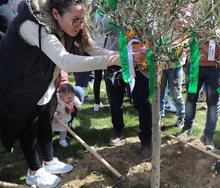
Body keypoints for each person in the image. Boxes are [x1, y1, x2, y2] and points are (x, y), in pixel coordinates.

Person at [0, 0, 144, 187]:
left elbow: (94, 49)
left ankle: (49, 161)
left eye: (82, 19)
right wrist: (117, 59)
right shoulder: (33, 24)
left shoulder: (70, 23)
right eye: (75, 19)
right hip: (18, 83)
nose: (80, 24)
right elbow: (66, 61)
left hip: (41, 80)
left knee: (45, 117)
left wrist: (127, 56)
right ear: (55, 14)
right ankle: (34, 172)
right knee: (29, 123)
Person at [95, 5, 152, 158]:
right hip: (114, 59)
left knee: (143, 100)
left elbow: (151, 26)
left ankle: (147, 139)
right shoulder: (107, 5)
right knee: (114, 99)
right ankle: (118, 129)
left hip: (141, 61)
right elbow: (103, 26)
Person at [178, 3, 220, 150]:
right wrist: (186, 20)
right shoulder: (194, 5)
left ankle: (208, 136)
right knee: (190, 99)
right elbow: (186, 18)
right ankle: (186, 129)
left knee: (213, 102)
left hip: (217, 65)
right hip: (195, 63)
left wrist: (208, 32)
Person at [52, 83, 82, 147]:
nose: (71, 99)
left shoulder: (71, 97)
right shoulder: (56, 99)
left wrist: (79, 105)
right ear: (61, 95)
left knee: (64, 129)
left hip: (65, 118)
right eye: (69, 98)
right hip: (56, 118)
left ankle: (62, 140)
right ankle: (48, 140)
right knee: (52, 129)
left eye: (72, 97)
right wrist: (54, 113)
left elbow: (75, 99)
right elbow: (51, 106)